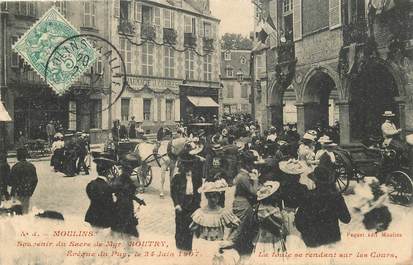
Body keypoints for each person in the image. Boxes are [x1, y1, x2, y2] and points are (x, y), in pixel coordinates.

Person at [295, 166, 351, 247]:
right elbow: (346, 219)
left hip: (314, 241)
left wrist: (307, 233)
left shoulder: (308, 196)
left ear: (315, 181)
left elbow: (299, 222)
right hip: (332, 240)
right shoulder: (336, 196)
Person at [170, 153, 203, 251]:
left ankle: (188, 248)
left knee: (190, 228)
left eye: (190, 165)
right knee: (180, 227)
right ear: (182, 165)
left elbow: (198, 191)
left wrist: (198, 205)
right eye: (185, 165)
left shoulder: (197, 177)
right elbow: (173, 192)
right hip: (181, 204)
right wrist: (176, 204)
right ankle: (179, 248)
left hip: (192, 204)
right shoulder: (177, 177)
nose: (187, 168)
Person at [111, 153, 146, 238]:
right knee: (127, 232)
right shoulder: (121, 180)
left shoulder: (126, 179)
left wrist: (138, 200)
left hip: (126, 207)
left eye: (131, 170)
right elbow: (120, 191)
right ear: (125, 170)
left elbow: (129, 194)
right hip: (123, 207)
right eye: (129, 170)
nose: (131, 172)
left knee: (125, 232)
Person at [9, 147, 38, 214]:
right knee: (25, 211)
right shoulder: (31, 166)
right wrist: (31, 191)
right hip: (26, 192)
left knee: (16, 212)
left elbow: (10, 182)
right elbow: (35, 180)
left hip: (16, 192)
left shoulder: (15, 167)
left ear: (18, 156)